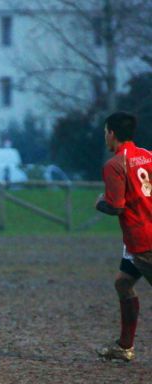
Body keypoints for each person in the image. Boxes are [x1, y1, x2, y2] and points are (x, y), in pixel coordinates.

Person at [95, 111, 152, 362]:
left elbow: (116, 206)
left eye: (105, 132)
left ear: (112, 133)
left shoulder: (115, 165)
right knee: (123, 282)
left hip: (144, 242)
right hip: (136, 242)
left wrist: (100, 203)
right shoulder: (149, 156)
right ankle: (125, 346)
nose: (105, 137)